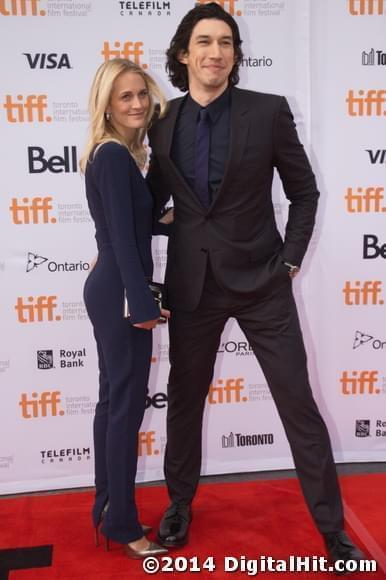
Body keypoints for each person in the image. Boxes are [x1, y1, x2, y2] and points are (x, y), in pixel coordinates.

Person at [147, 2, 364, 567]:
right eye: (204, 42)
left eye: (226, 42)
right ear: (183, 53)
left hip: (263, 282)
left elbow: (305, 193)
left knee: (298, 404)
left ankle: (333, 530)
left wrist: (289, 262)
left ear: (235, 54)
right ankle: (178, 506)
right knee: (184, 406)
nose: (216, 52)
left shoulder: (267, 112)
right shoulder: (162, 120)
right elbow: (150, 204)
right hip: (192, 287)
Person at [80, 58, 169, 559]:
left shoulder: (115, 154)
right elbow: (119, 235)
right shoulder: (113, 156)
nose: (136, 105)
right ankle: (122, 522)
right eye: (125, 98)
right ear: (108, 105)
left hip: (113, 284)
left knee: (113, 403)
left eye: (141, 95)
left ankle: (108, 507)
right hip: (121, 291)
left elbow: (138, 223)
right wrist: (141, 302)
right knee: (124, 409)